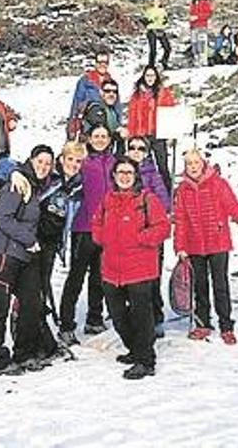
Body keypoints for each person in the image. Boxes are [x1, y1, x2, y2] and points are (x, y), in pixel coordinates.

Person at [93, 157, 171, 378]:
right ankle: (135, 349)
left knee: (141, 315)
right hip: (111, 268)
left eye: (129, 172)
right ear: (114, 176)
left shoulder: (147, 199)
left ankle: (145, 360)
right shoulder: (108, 199)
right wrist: (102, 237)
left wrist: (142, 238)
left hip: (139, 267)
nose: (125, 176)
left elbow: (163, 227)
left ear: (136, 176)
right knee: (118, 315)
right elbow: (97, 223)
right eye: (120, 172)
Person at [0, 155, 48, 376]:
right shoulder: (18, 184)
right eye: (40, 162)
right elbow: (5, 217)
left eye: (48, 164)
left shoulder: (36, 185)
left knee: (31, 303)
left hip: (22, 256)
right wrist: (30, 240)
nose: (44, 167)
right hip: (2, 253)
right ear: (31, 161)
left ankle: (24, 353)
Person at [174, 149, 238, 344]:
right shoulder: (182, 190)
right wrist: (180, 246)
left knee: (220, 285)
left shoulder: (218, 183)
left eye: (196, 163)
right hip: (193, 244)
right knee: (200, 286)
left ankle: (226, 325)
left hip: (218, 241)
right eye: (189, 164)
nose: (193, 167)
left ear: (203, 163)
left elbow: (231, 203)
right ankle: (202, 323)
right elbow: (180, 219)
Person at [12, 142, 85, 341]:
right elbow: (21, 172)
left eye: (78, 161)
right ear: (61, 159)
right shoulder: (51, 179)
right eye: (70, 159)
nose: (74, 164)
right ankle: (24, 329)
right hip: (33, 238)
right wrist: (15, 172)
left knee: (43, 285)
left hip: (52, 241)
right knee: (31, 288)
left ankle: (38, 330)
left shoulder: (77, 185)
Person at [58, 125, 115, 344]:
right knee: (76, 276)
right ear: (89, 138)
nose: (100, 139)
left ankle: (94, 318)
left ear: (109, 139)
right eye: (96, 136)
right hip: (83, 226)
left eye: (104, 136)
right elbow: (62, 167)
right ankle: (66, 324)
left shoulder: (114, 162)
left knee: (99, 276)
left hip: (107, 228)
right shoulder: (82, 160)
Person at [124, 137, 172, 333]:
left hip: (149, 231)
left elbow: (165, 202)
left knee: (153, 276)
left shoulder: (152, 174)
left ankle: (156, 316)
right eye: (132, 147)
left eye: (141, 148)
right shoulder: (121, 171)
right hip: (127, 233)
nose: (136, 151)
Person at [127, 65, 177, 188]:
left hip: (158, 134)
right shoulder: (137, 94)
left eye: (152, 75)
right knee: (142, 166)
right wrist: (131, 135)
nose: (150, 78)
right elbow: (132, 115)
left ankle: (169, 193)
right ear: (143, 77)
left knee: (163, 166)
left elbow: (170, 114)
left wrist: (171, 133)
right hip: (141, 134)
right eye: (148, 75)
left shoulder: (163, 93)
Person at [67, 53, 112, 140]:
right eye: (100, 62)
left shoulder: (111, 82)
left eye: (105, 62)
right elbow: (77, 102)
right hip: (87, 121)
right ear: (95, 63)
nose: (102, 65)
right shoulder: (85, 80)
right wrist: (72, 125)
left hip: (105, 120)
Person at [143, 0, 172, 70]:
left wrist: (164, 22)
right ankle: (151, 65)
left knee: (167, 48)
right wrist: (150, 21)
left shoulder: (163, 11)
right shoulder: (149, 10)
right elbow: (144, 20)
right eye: (155, 1)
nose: (157, 2)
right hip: (151, 30)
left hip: (161, 30)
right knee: (153, 49)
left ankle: (164, 61)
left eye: (158, 1)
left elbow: (166, 20)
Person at [189, 0, 214, 67]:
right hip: (193, 27)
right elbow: (191, 14)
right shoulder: (193, 2)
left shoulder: (205, 2)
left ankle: (203, 61)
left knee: (202, 44)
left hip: (202, 26)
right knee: (194, 44)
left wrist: (197, 17)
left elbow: (208, 14)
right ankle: (196, 61)